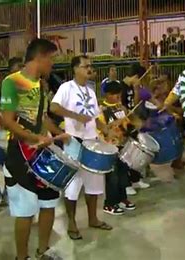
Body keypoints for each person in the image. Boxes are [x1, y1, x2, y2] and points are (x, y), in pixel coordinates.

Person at [0, 38, 69, 260]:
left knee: (49, 202)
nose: (53, 64)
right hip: (19, 154)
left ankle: (43, 250)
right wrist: (33, 137)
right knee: (25, 211)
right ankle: (22, 257)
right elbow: (7, 121)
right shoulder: (12, 82)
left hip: (41, 153)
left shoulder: (42, 85)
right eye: (52, 59)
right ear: (40, 57)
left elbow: (42, 118)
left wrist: (58, 133)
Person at [50, 55, 113, 241]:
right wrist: (75, 116)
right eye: (86, 66)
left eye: (90, 66)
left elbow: (94, 116)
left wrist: (105, 129)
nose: (89, 69)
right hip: (75, 142)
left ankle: (93, 218)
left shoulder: (91, 91)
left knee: (94, 183)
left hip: (92, 141)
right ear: (75, 69)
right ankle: (72, 222)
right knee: (73, 185)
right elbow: (53, 107)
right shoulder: (66, 88)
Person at [97, 81, 138, 215]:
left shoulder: (120, 107)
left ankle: (123, 198)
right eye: (115, 95)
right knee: (112, 177)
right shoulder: (101, 110)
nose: (118, 98)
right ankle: (109, 203)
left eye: (119, 95)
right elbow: (100, 128)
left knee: (123, 174)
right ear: (108, 95)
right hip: (110, 147)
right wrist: (115, 123)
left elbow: (127, 124)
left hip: (122, 146)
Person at [120, 63, 151, 195]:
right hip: (123, 124)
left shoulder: (133, 87)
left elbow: (135, 103)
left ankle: (135, 179)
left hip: (132, 122)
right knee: (125, 155)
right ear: (136, 76)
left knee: (135, 152)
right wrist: (132, 119)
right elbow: (121, 107)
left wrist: (137, 89)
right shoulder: (120, 87)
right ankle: (125, 184)